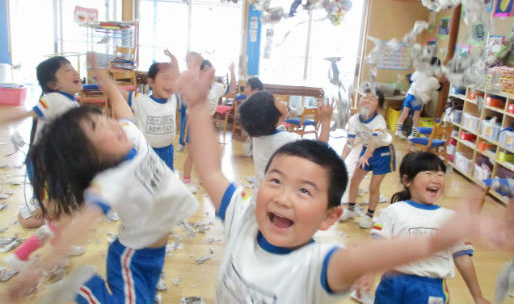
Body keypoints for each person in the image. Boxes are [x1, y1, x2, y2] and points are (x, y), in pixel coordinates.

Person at [173, 57, 514, 303]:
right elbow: (212, 170)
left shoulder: (319, 266)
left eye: (304, 190)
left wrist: (435, 242)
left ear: (329, 217)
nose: (283, 198)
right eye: (275, 181)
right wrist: (198, 104)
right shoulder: (243, 218)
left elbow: (367, 256)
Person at [8, 52, 199, 303]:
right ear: (91, 156)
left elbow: (121, 108)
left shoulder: (131, 138)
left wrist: (105, 80)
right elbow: (82, 226)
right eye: (99, 128)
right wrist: (42, 266)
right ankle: (84, 289)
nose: (111, 124)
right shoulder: (110, 181)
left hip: (155, 253)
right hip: (133, 256)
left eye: (103, 119)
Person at [354, 152, 490, 304]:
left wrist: (478, 296)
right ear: (407, 180)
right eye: (428, 173)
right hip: (393, 284)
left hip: (431, 289)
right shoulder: (393, 211)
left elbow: (463, 259)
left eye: (440, 174)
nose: (436, 179)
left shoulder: (451, 219)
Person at [2, 56, 84, 270]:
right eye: (67, 70)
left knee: (62, 211)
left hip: (57, 165)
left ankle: (59, 244)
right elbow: (32, 113)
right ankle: (21, 255)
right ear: (53, 84)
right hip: (45, 166)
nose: (74, 72)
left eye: (73, 68)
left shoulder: (69, 101)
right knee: (61, 214)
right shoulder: (53, 99)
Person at [239, 90, 333, 190]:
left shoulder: (258, 135)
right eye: (277, 100)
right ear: (274, 116)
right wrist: (326, 120)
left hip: (260, 196)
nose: (281, 100)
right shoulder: (288, 141)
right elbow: (321, 151)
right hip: (278, 199)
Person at [339, 88, 394, 229]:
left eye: (372, 98)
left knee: (374, 187)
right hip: (366, 150)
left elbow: (374, 142)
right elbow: (349, 143)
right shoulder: (353, 120)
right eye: (365, 97)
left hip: (382, 153)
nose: (367, 100)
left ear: (379, 106)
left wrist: (365, 155)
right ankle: (351, 209)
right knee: (354, 182)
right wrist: (340, 160)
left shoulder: (379, 121)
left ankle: (369, 215)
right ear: (358, 100)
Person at [182, 57, 236, 185]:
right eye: (205, 70)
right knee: (192, 156)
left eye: (210, 70)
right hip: (194, 125)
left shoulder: (217, 87)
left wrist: (232, 71)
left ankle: (203, 180)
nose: (208, 73)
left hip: (207, 125)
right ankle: (186, 182)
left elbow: (232, 89)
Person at [123, 49, 179, 170]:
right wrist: (105, 81)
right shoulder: (141, 101)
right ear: (151, 82)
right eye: (165, 78)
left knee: (166, 182)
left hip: (167, 151)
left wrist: (174, 59)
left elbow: (177, 76)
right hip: (147, 152)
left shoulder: (173, 99)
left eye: (172, 79)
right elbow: (120, 93)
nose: (170, 83)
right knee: (147, 183)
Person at [395, 57, 444, 139]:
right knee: (416, 117)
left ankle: (398, 130)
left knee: (405, 112)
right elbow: (439, 88)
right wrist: (440, 80)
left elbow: (411, 79)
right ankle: (413, 135)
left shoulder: (418, 72)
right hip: (419, 98)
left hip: (411, 94)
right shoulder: (433, 80)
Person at [240, 76, 264, 156]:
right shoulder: (248, 101)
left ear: (255, 91)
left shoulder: (262, 102)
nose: (244, 89)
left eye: (247, 87)